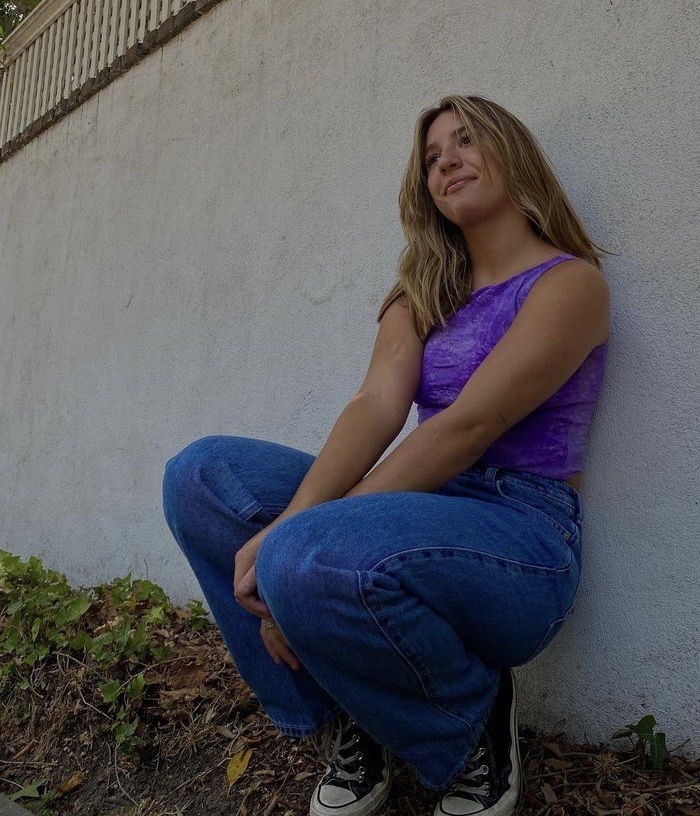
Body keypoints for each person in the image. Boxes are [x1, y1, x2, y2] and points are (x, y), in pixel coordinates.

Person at [162, 94, 610, 816]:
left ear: (513, 153)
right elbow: (375, 405)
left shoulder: (570, 284)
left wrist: (296, 544)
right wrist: (294, 535)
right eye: (432, 158)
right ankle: (347, 717)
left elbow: (467, 426)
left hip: (522, 534)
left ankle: (471, 722)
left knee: (302, 550)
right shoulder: (421, 294)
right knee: (200, 476)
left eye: (466, 141)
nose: (447, 162)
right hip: (417, 507)